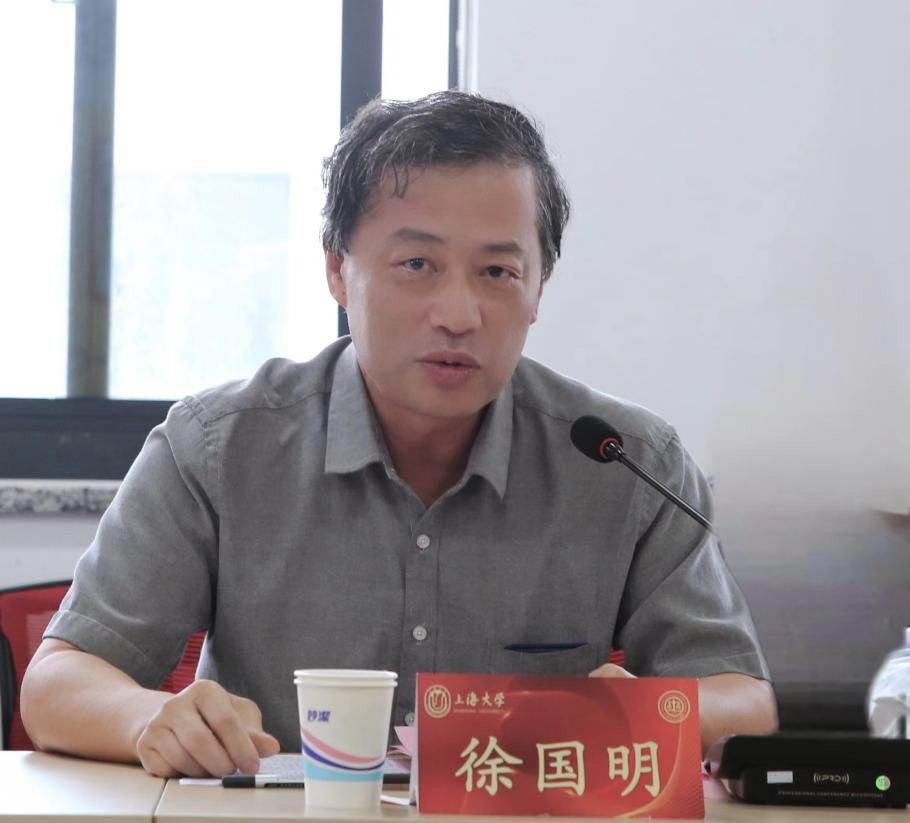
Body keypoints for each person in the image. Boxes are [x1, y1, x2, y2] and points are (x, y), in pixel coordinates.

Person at [21, 91, 777, 778]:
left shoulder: (626, 464)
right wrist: (150, 717)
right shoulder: (219, 448)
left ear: (538, 289)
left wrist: (641, 713)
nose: (458, 313)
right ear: (337, 272)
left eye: (497, 272)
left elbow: (746, 701)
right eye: (417, 263)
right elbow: (58, 681)